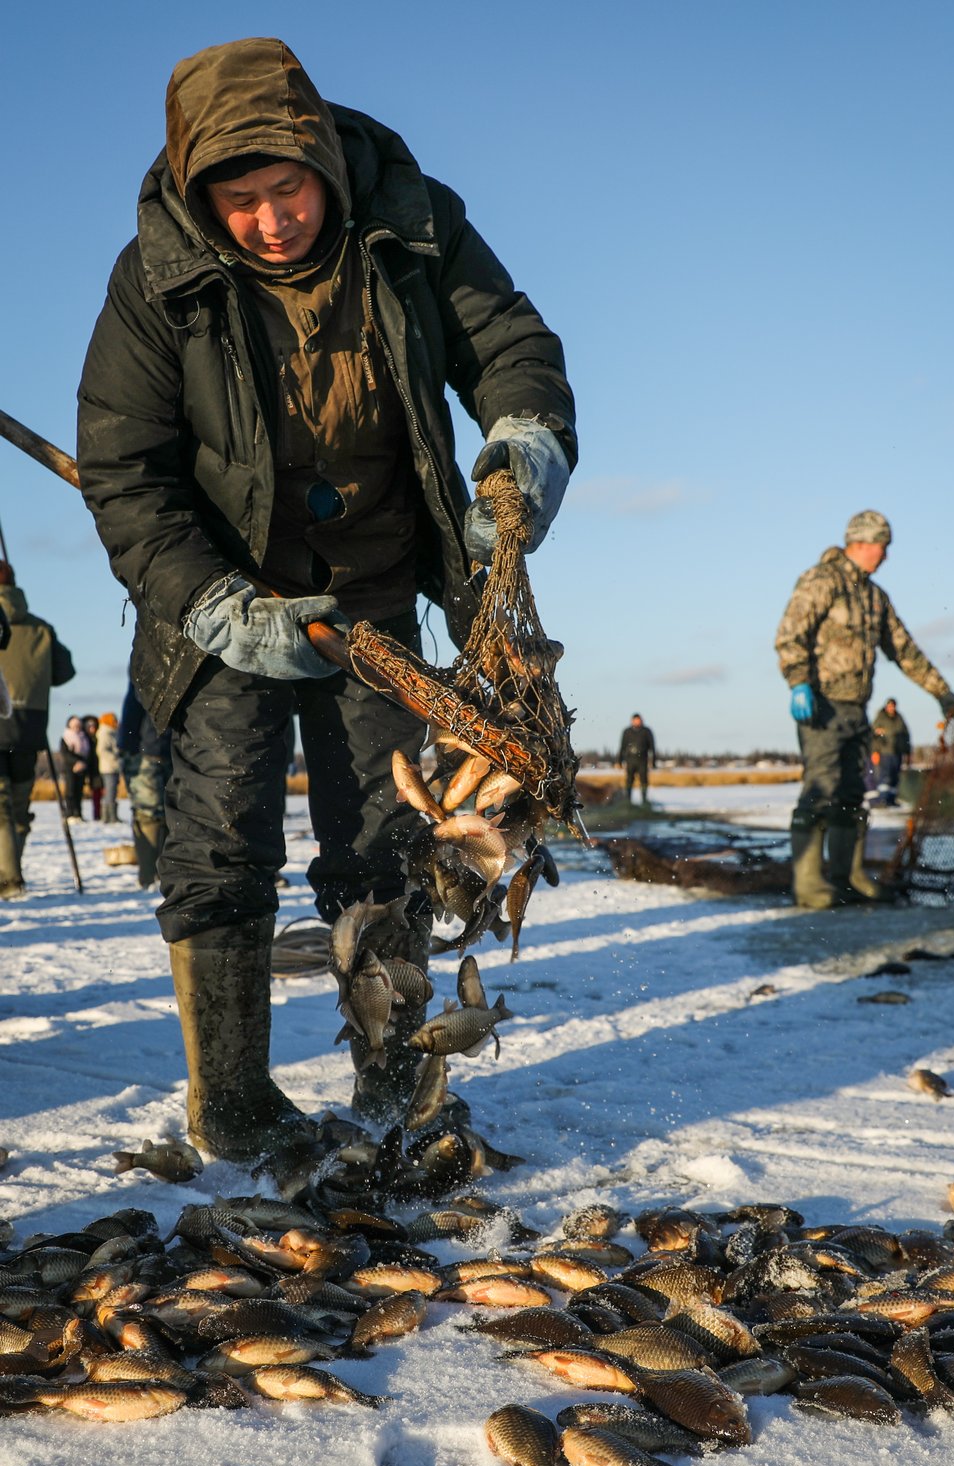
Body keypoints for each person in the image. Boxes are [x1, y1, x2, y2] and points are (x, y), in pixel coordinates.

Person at [76, 37, 576, 1160]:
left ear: (325, 167)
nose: (268, 221)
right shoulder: (154, 276)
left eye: (286, 189)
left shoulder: (413, 221)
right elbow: (124, 469)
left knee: (381, 840)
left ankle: (394, 1083)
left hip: (375, 594)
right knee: (217, 838)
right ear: (203, 198)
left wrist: (525, 440)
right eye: (239, 202)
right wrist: (211, 602)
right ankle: (235, 1103)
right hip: (221, 595)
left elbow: (509, 346)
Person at [775, 510, 954, 909]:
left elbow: (904, 650)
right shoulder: (821, 581)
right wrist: (798, 683)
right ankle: (808, 885)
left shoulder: (875, 597)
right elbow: (791, 635)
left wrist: (942, 694)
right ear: (861, 543)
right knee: (820, 790)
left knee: (851, 795)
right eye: (882, 547)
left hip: (856, 711)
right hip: (820, 708)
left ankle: (848, 878)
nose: (885, 556)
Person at [0, 563, 76, 896]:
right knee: (18, 805)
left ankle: (8, 880)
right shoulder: (42, 629)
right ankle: (11, 872)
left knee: (1, 805)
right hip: (29, 727)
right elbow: (64, 671)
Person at [118, 679, 173, 888]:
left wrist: (127, 746)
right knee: (162, 812)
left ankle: (151, 875)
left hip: (149, 745)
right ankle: (154, 874)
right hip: (166, 745)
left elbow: (135, 702)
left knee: (149, 813)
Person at [867, 697, 911, 807]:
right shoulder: (880, 718)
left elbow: (905, 736)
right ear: (886, 706)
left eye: (893, 705)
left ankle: (891, 800)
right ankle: (883, 800)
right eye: (890, 705)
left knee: (894, 777)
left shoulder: (899, 718)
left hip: (897, 752)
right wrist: (875, 752)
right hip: (884, 752)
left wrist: (908, 752)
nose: (892, 708)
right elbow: (873, 736)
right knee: (884, 777)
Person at [617, 713, 656, 804]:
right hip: (630, 760)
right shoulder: (627, 731)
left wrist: (653, 761)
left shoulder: (646, 731)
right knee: (629, 780)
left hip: (642, 760)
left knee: (644, 780)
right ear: (632, 721)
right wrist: (619, 760)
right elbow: (622, 746)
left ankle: (644, 800)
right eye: (636, 720)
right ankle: (628, 801)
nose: (637, 722)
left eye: (639, 720)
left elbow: (652, 747)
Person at [95, 712, 121, 822]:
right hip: (108, 767)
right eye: (114, 719)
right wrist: (115, 758)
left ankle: (110, 816)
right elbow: (101, 750)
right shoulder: (105, 732)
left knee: (112, 792)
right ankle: (108, 817)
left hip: (113, 767)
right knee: (110, 792)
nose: (116, 721)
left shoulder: (112, 732)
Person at [81, 714, 103, 820]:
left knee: (100, 793)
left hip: (100, 768)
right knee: (94, 793)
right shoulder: (84, 739)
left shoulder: (98, 738)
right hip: (90, 769)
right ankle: (96, 815)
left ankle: (100, 814)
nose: (92, 728)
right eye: (89, 726)